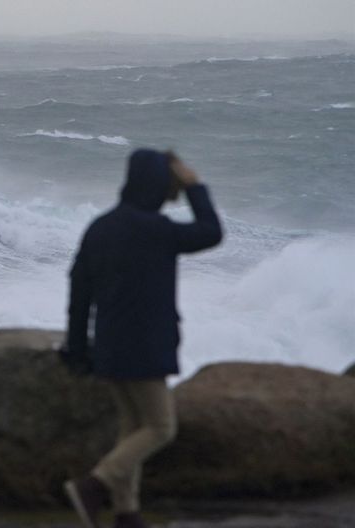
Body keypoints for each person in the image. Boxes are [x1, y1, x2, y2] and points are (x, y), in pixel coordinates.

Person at [61, 149, 223, 528]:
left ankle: (126, 513)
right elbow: (211, 232)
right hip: (145, 347)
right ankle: (93, 485)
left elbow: (78, 291)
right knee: (161, 427)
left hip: (109, 347)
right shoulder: (158, 230)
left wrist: (77, 347)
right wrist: (196, 186)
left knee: (132, 428)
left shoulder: (100, 227)